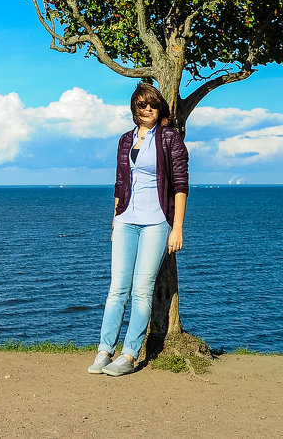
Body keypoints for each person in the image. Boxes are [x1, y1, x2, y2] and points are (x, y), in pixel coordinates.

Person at [88, 82, 188, 377]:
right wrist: (115, 218)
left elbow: (181, 185)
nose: (147, 110)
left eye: (153, 106)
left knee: (141, 290)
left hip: (157, 222)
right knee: (117, 289)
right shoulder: (124, 140)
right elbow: (120, 182)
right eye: (142, 105)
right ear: (134, 108)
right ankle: (105, 350)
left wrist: (177, 227)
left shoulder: (170, 138)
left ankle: (130, 355)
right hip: (125, 221)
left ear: (160, 109)